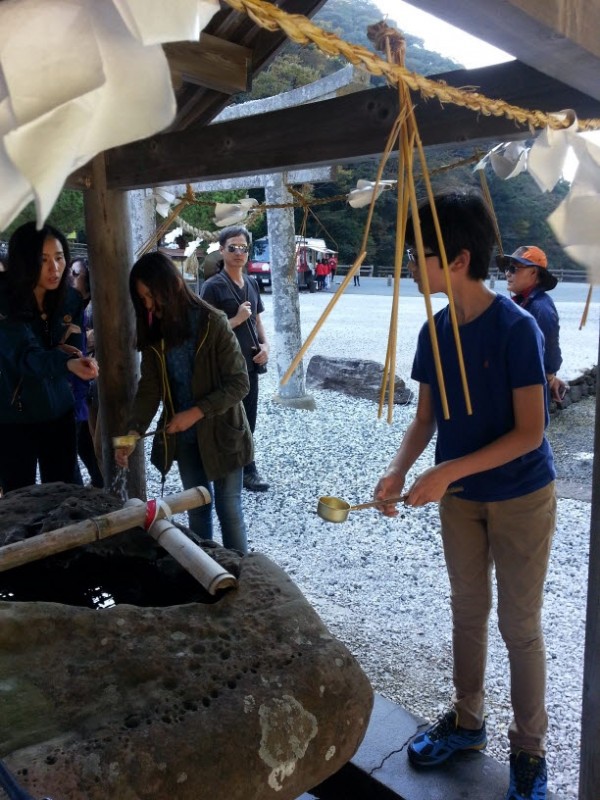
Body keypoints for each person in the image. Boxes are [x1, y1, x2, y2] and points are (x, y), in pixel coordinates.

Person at [374, 191, 555, 800]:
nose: (409, 266)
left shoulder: (516, 328)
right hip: (460, 498)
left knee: (519, 625)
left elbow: (530, 433)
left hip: (521, 494)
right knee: (467, 610)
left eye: (416, 255)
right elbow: (425, 419)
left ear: (457, 259)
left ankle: (528, 750)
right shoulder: (435, 330)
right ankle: (468, 720)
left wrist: (447, 472)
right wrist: (398, 470)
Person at [114, 251, 253, 553]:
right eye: (142, 298)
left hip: (223, 433)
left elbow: (240, 383)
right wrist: (133, 431)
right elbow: (149, 388)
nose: (148, 304)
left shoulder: (213, 322)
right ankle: (205, 572)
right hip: (185, 438)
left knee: (229, 509)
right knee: (196, 508)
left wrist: (196, 411)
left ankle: (242, 573)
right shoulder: (156, 331)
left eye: (151, 295)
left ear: (173, 284)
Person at [0, 222, 99, 493]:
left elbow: (76, 351)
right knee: (20, 497)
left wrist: (81, 368)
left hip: (59, 410)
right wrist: (67, 362)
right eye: (43, 260)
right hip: (13, 415)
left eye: (59, 257)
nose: (54, 268)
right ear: (23, 261)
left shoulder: (70, 300)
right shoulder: (4, 300)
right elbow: (25, 356)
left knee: (66, 491)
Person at [200, 225, 270, 493]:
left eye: (243, 248)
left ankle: (247, 467)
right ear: (222, 250)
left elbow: (258, 320)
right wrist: (237, 319)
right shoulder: (212, 287)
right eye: (233, 248)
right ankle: (231, 468)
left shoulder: (251, 283)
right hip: (225, 366)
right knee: (229, 418)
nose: (239, 253)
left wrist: (265, 345)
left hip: (251, 363)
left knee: (249, 417)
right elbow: (204, 332)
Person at [498, 246, 567, 404]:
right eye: (507, 268)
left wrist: (549, 376)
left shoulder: (540, 308)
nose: (507, 273)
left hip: (530, 389)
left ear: (533, 272)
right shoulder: (524, 302)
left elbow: (550, 351)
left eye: (513, 269)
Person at [68, 258, 103, 487]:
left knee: (91, 443)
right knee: (82, 444)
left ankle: (100, 484)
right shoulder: (68, 306)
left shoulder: (94, 306)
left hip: (91, 385)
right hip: (77, 389)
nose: (69, 277)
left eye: (75, 274)